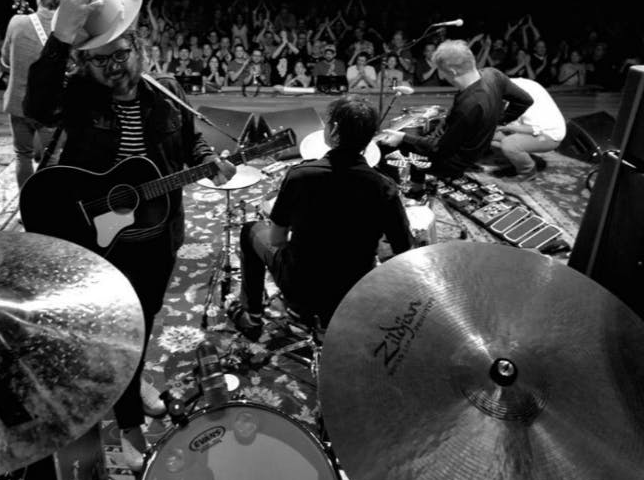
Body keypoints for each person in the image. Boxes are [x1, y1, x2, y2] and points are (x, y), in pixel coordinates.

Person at [24, 0, 235, 472]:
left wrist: (211, 159)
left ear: (139, 46)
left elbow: (191, 142)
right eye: (100, 60)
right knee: (113, 326)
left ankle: (134, 379)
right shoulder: (77, 95)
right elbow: (36, 106)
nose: (115, 68)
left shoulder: (167, 91)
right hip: (97, 236)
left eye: (122, 54)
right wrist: (58, 38)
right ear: (83, 60)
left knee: (145, 317)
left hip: (158, 231)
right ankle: (128, 427)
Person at [229, 95, 414, 340]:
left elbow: (276, 240)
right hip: (354, 290)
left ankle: (252, 316)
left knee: (250, 229)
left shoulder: (299, 176)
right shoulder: (385, 187)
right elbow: (403, 250)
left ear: (334, 130)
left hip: (300, 286)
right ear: (369, 139)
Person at [378, 40, 533, 196]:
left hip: (454, 161)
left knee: (387, 148)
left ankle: (406, 193)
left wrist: (403, 137)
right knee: (423, 131)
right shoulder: (493, 74)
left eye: (442, 72)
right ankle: (417, 183)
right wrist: (497, 121)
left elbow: (438, 148)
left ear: (452, 71)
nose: (442, 76)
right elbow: (525, 101)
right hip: (476, 147)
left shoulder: (469, 105)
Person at [1, 0, 67, 189]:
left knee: (23, 155)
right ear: (62, 1)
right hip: (49, 107)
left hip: (19, 104)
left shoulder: (17, 22)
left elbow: (5, 61)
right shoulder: (67, 31)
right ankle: (49, 206)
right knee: (53, 158)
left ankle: (26, 207)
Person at [491, 77, 566, 181]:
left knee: (509, 144)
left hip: (547, 135)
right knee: (488, 134)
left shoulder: (525, 98)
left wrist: (507, 127)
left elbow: (533, 129)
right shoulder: (511, 85)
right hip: (528, 128)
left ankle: (527, 172)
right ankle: (518, 157)